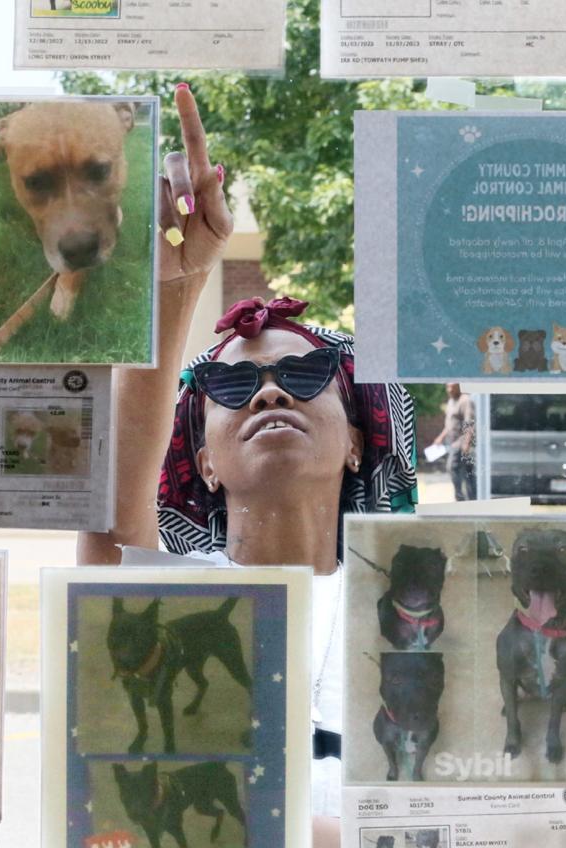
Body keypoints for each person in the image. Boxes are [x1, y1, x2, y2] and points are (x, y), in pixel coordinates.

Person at [78, 84, 418, 848]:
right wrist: (175, 282)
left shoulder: (421, 612)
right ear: (202, 456)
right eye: (233, 384)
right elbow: (107, 517)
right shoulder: (172, 610)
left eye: (302, 377)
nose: (268, 389)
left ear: (361, 436)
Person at [431, 382, 476, 500]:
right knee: (467, 472)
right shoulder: (451, 401)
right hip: (452, 442)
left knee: (452, 467)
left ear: (459, 387)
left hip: (461, 442)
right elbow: (450, 424)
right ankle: (470, 499)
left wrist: (466, 443)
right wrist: (440, 437)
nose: (449, 390)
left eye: (452, 387)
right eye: (448, 387)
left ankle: (461, 498)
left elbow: (469, 424)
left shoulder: (465, 400)